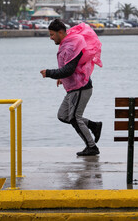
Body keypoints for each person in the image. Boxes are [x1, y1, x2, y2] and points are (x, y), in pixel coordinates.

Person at [40, 19, 103, 156]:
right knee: (63, 116)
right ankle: (93, 125)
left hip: (81, 87)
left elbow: (69, 69)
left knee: (74, 117)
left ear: (61, 32)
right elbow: (70, 68)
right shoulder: (67, 42)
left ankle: (92, 147)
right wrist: (61, 78)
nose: (50, 38)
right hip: (73, 88)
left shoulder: (72, 45)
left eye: (52, 35)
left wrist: (50, 73)